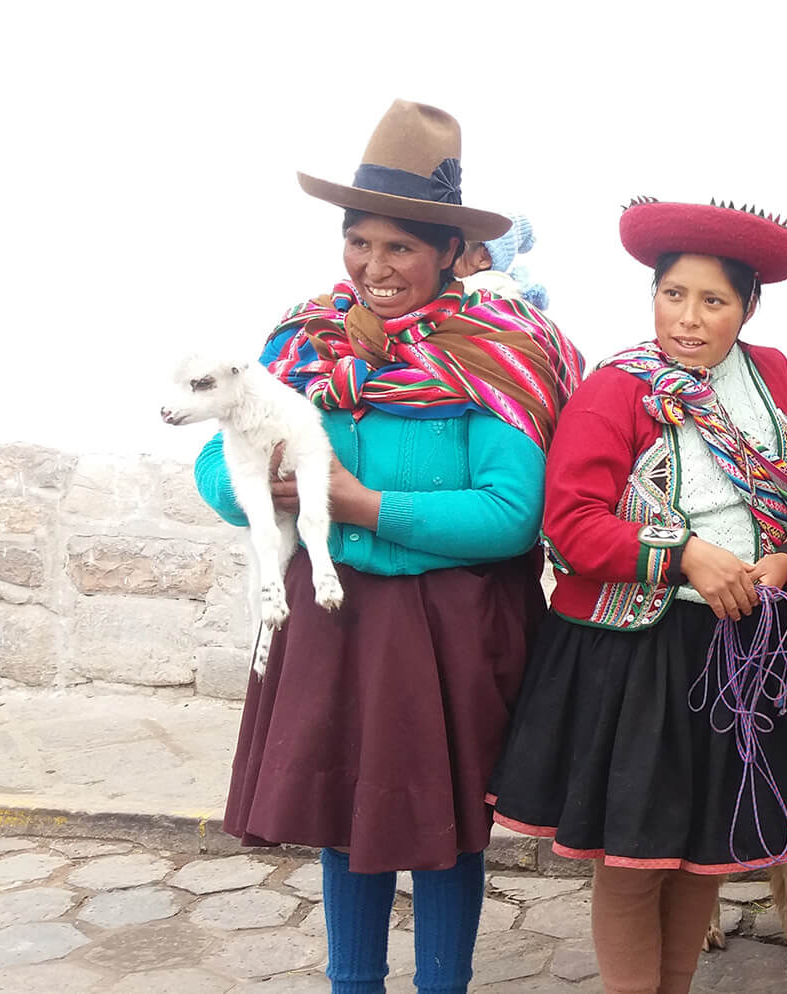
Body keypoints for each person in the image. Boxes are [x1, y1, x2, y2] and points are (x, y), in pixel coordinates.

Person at [194, 99, 584, 994]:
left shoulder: (498, 352)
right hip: (334, 620)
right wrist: (273, 489)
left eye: (401, 246)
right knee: (347, 818)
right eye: (358, 240)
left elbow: (510, 516)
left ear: (452, 252)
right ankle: (352, 985)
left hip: (450, 626)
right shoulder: (304, 342)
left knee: (444, 829)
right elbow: (220, 473)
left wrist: (363, 504)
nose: (376, 265)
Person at [485, 198, 787, 994]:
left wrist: (786, 558)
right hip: (637, 655)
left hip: (743, 647)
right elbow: (570, 523)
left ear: (748, 306)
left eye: (713, 301)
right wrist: (683, 555)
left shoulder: (777, 379)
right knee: (636, 858)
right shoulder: (616, 389)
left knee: (704, 851)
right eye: (672, 295)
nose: (688, 319)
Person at [456, 213, 551, 310]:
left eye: (459, 247)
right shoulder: (506, 290)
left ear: (484, 258)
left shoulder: (475, 286)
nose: (449, 252)